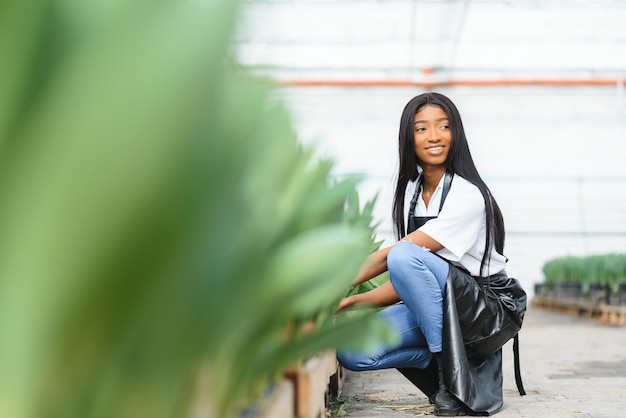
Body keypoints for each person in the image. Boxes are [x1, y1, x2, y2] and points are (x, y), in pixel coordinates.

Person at [336, 92, 526, 416]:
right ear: (409, 139)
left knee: (402, 254)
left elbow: (396, 258)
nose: (434, 136)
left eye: (443, 126)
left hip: (486, 310)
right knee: (352, 350)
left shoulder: (467, 194)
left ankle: (449, 377)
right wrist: (349, 303)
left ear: (456, 134)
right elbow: (409, 278)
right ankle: (442, 371)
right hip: (447, 304)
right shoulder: (413, 195)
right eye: (422, 129)